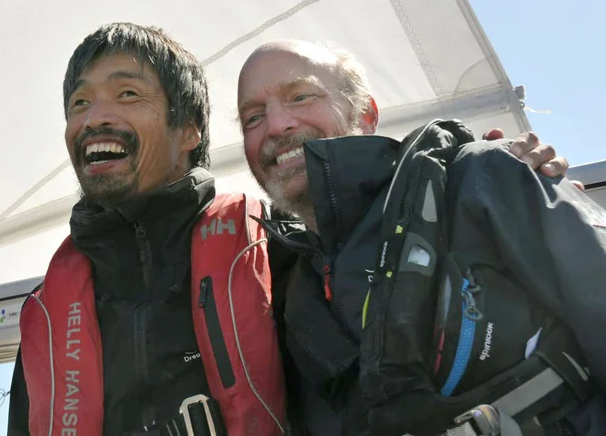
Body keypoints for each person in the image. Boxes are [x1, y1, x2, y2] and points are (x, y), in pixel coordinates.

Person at [6, 23, 570, 436]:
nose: (93, 117)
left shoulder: (281, 254)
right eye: (79, 102)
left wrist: (475, 174)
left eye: (126, 94)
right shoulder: (47, 315)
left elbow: (373, 219)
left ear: (188, 133)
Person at [237, 40, 606, 435]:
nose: (276, 126)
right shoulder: (276, 295)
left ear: (366, 114)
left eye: (300, 96)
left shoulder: (485, 177)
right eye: (253, 118)